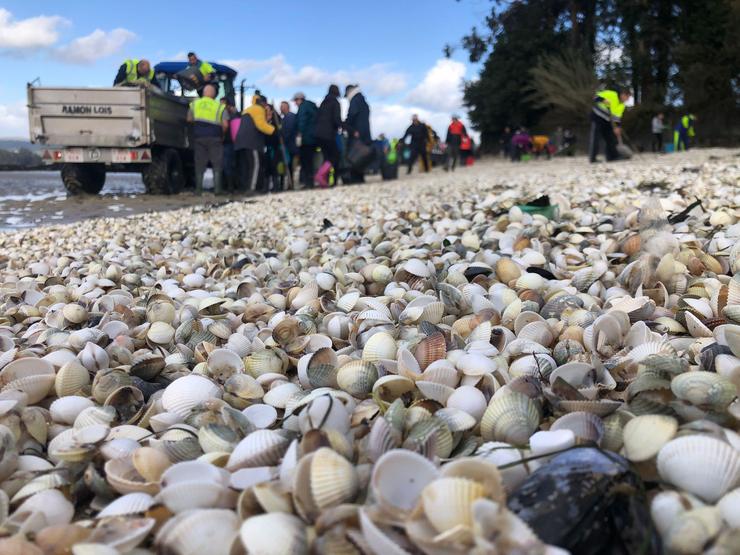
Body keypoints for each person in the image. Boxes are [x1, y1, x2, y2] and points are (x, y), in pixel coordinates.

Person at [186, 84, 228, 195]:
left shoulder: (194, 104)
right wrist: (222, 135)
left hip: (199, 137)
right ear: (214, 94)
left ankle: (198, 190)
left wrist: (198, 126)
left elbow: (189, 119)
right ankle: (217, 190)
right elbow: (225, 125)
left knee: (199, 163)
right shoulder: (220, 106)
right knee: (217, 163)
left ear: (204, 93)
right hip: (215, 138)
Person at [234, 93, 275, 192]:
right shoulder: (258, 109)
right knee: (255, 165)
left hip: (241, 142)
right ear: (263, 103)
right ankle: (252, 188)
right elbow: (260, 125)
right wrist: (273, 130)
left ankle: (244, 187)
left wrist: (267, 119)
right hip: (252, 142)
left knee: (245, 166)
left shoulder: (248, 109)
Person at [588, 88, 632, 163]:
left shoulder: (622, 105)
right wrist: (603, 100)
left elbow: (617, 118)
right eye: (627, 97)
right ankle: (593, 158)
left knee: (611, 138)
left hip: (607, 120)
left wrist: (617, 127)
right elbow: (595, 97)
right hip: (597, 117)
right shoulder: (612, 94)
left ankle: (612, 157)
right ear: (623, 94)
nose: (627, 100)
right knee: (596, 138)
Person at [344, 84, 372, 184]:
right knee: (362, 155)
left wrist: (346, 125)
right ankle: (360, 177)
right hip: (365, 132)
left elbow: (352, 114)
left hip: (357, 133)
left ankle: (356, 178)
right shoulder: (363, 100)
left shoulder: (355, 100)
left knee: (354, 156)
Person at [314, 84, 342, 179]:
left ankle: (324, 180)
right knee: (335, 156)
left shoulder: (323, 102)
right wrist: (345, 127)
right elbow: (336, 120)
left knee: (326, 157)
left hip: (318, 134)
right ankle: (321, 175)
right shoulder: (335, 103)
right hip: (328, 134)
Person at [294, 92, 318, 188]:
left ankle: (308, 182)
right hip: (313, 138)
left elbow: (302, 121)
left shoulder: (303, 107)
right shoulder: (312, 107)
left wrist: (299, 133)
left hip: (306, 139)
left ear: (300, 99)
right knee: (310, 161)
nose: (295, 103)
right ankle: (310, 181)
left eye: (296, 100)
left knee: (306, 161)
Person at [221, 98, 239, 194]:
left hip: (228, 143)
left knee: (227, 165)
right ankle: (230, 186)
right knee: (230, 165)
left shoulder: (227, 114)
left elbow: (225, 127)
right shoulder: (236, 115)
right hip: (232, 143)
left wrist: (222, 137)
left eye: (223, 103)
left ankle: (229, 187)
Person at [279, 101, 298, 186]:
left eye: (282, 106)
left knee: (290, 165)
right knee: (288, 165)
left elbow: (289, 131)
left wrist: (283, 139)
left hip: (291, 145)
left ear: (287, 107)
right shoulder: (284, 118)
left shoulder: (290, 117)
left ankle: (291, 183)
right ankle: (289, 183)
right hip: (288, 145)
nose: (281, 108)